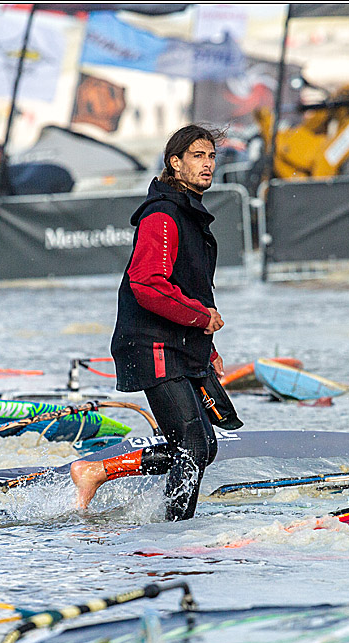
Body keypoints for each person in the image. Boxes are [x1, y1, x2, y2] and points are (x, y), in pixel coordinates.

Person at [70, 124, 242, 521]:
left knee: (204, 447)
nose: (208, 165)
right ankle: (172, 539)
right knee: (193, 447)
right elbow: (147, 284)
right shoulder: (162, 215)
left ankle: (96, 471)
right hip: (151, 345)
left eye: (212, 157)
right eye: (198, 156)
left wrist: (208, 346)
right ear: (175, 163)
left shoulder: (188, 211)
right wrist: (202, 318)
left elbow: (191, 285)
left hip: (180, 344)